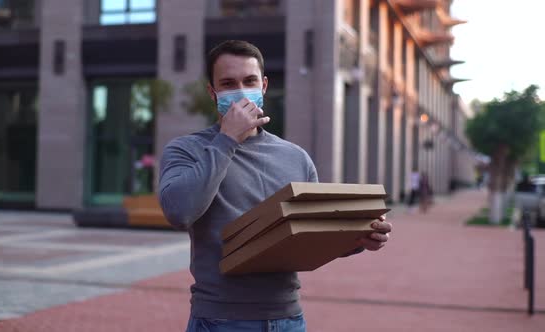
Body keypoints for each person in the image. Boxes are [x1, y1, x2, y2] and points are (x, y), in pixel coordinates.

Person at [159, 40, 393, 332]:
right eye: (229, 83)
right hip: (220, 319)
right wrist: (227, 139)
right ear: (212, 91)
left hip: (288, 318)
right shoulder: (187, 150)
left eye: (250, 80)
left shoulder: (295, 157)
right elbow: (179, 212)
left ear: (265, 85)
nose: (242, 90)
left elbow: (311, 234)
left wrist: (358, 239)